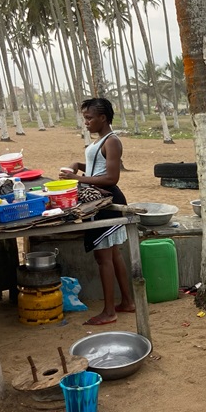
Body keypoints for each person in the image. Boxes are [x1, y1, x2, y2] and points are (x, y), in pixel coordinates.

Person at [59, 98, 135, 325]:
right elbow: (97, 166)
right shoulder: (101, 141)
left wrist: (76, 178)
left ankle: (109, 311)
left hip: (105, 202)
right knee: (114, 254)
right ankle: (128, 302)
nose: (86, 122)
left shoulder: (112, 141)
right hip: (103, 199)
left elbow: (111, 177)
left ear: (103, 118)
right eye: (85, 118)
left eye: (89, 118)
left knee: (103, 258)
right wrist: (76, 164)